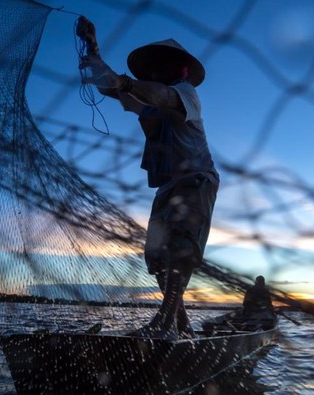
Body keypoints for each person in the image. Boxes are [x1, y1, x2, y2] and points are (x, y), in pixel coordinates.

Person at [78, 18, 218, 339]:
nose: (155, 71)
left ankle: (164, 321)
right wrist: (92, 46)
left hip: (196, 180)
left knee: (181, 245)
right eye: (152, 67)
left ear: (178, 69)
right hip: (167, 185)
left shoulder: (185, 94)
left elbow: (162, 97)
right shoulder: (146, 100)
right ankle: (181, 326)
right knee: (156, 255)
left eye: (161, 66)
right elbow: (108, 86)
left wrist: (125, 83)